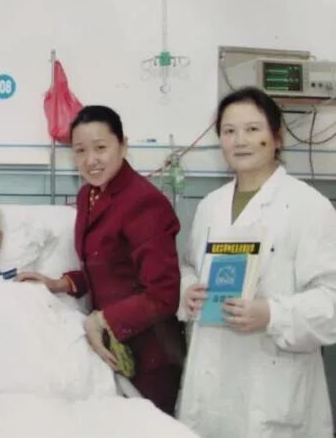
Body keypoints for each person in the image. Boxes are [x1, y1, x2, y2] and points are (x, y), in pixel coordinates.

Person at [178, 87, 336, 437]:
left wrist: (272, 314)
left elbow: (331, 300)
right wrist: (187, 290)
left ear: (276, 138)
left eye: (252, 129)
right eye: (229, 131)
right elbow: (189, 266)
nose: (240, 140)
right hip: (211, 380)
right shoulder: (210, 206)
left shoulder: (309, 207)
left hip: (273, 385)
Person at [18, 105, 185, 414]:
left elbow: (163, 295)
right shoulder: (88, 196)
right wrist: (60, 283)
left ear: (123, 145)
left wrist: (101, 320)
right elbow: (108, 266)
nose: (90, 160)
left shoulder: (145, 202)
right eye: (80, 150)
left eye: (100, 148)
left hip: (151, 353)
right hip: (113, 345)